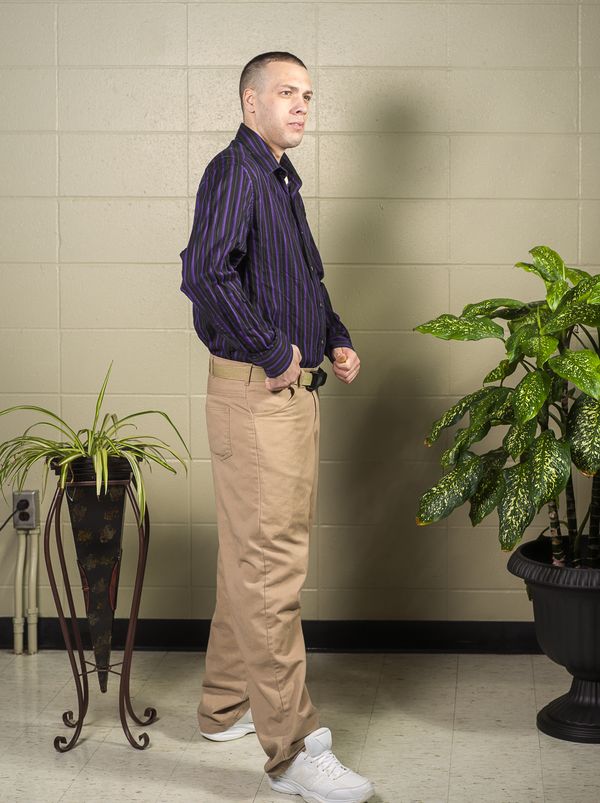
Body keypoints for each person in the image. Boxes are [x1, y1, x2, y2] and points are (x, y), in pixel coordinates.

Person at [179, 51, 374, 803]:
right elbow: (204, 273)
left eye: (308, 95)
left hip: (287, 394)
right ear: (249, 101)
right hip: (259, 395)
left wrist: (334, 337)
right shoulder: (235, 171)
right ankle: (292, 752)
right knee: (271, 570)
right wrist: (273, 350)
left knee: (248, 555)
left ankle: (223, 705)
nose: (300, 105)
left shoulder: (279, 179)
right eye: (286, 92)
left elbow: (302, 280)